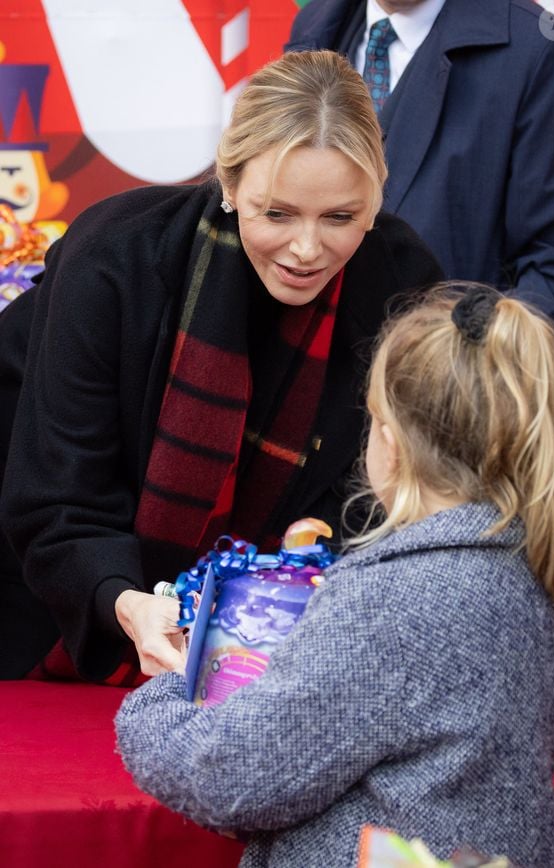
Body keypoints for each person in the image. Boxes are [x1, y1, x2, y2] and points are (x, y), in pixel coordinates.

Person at [0, 49, 442, 682]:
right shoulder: (114, 260)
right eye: (278, 213)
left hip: (268, 651)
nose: (308, 250)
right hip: (48, 610)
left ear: (375, 202)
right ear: (230, 187)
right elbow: (56, 500)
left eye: (340, 217)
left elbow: (385, 504)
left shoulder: (402, 283)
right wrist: (126, 603)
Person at [115, 283, 554, 868]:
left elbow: (235, 777)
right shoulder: (542, 564)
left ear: (391, 439)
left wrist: (162, 696)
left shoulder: (391, 593)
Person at [285, 0, 554, 352]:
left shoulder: (541, 50)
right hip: (311, 383)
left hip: (450, 389)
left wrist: (456, 378)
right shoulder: (316, 25)